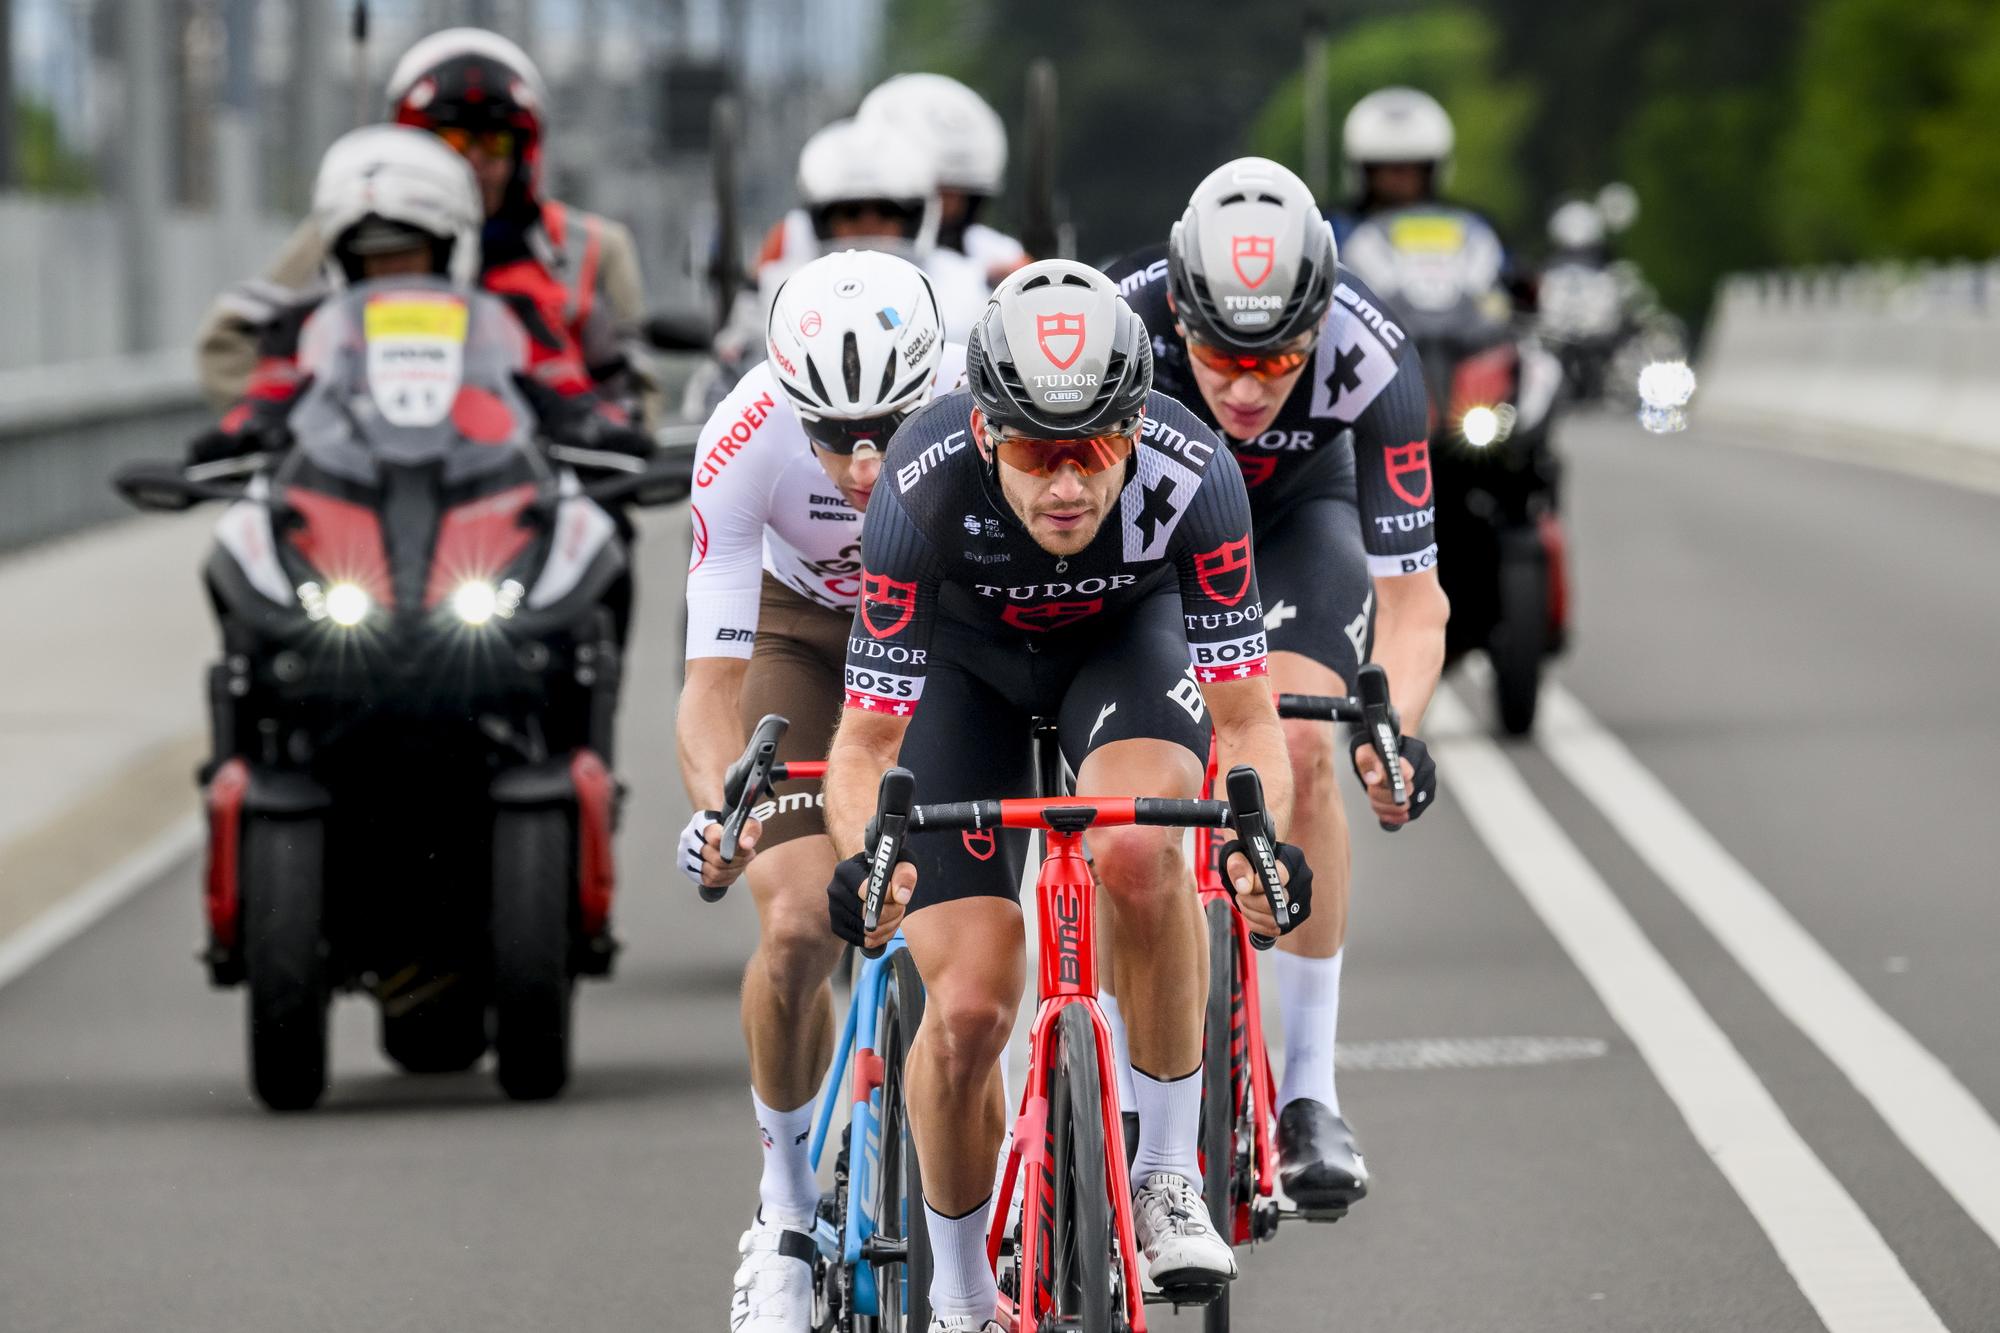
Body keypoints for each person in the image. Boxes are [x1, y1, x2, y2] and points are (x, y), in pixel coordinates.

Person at [820, 259, 1317, 1331]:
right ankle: (958, 1295)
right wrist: (868, 856)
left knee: (1141, 851)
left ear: (1134, 433)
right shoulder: (918, 482)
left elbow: (1244, 724)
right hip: (967, 672)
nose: (1066, 484)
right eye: (1038, 452)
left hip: (1120, 648)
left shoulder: (1197, 473)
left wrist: (1258, 840)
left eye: (1092, 450)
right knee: (963, 1009)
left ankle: (1165, 1171)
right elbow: (864, 742)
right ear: (987, 433)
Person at [1103, 156, 1448, 1217]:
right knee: (1129, 800)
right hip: (1149, 535)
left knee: (1302, 744)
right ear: (1177, 308)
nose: (1248, 388)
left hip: (1301, 520)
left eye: (1278, 360)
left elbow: (1412, 606)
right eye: (1218, 356)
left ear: (1320, 324)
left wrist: (1388, 732)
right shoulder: (1122, 326)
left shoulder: (1372, 354)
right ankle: (1113, 1079)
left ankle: (1307, 1093)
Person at [673, 249, 963, 1333]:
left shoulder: (980, 412)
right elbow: (708, 688)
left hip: (936, 634)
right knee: (797, 920)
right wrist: (720, 807)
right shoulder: (742, 438)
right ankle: (784, 1215)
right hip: (798, 634)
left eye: (885, 429)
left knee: (958, 935)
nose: (859, 461)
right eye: (830, 435)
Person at [195, 27, 656, 424]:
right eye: (449, 140)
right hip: (372, 484)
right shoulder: (356, 234)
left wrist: (595, 438)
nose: (471, 162)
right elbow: (238, 331)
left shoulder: (592, 248)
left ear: (523, 151)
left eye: (492, 142)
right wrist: (275, 427)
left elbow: (632, 392)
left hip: (540, 494)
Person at [185, 123, 650, 470]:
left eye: (409, 253)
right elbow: (272, 392)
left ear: (450, 249)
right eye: (373, 258)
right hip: (348, 506)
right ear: (345, 261)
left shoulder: (508, 319)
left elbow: (559, 385)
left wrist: (591, 424)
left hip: (480, 505)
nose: (392, 271)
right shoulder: (305, 328)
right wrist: (245, 431)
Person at [751, 117, 991, 342]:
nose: (869, 225)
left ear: (915, 218)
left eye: (887, 211)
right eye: (850, 212)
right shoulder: (776, 294)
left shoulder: (967, 288)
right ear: (820, 221)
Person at [858, 72, 1031, 284]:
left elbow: (1024, 270)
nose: (944, 205)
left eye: (958, 195)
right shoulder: (823, 253)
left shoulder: (988, 250)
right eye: (935, 192)